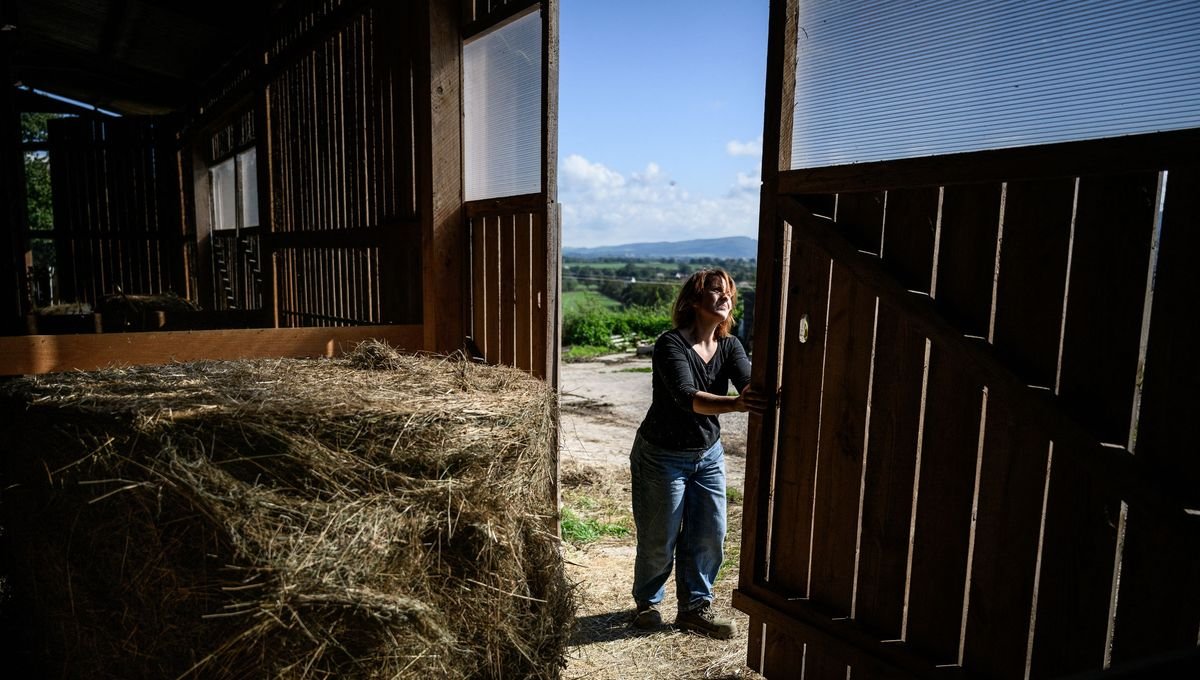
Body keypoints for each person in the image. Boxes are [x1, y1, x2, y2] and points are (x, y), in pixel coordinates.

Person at [629, 268, 767, 639]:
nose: (727, 298)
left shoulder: (730, 346)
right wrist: (738, 405)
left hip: (707, 455)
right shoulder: (670, 344)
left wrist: (759, 391)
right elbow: (687, 398)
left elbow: (748, 381)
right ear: (693, 300)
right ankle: (648, 603)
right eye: (717, 292)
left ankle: (694, 608)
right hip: (662, 454)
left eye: (729, 293)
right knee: (661, 535)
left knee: (710, 533)